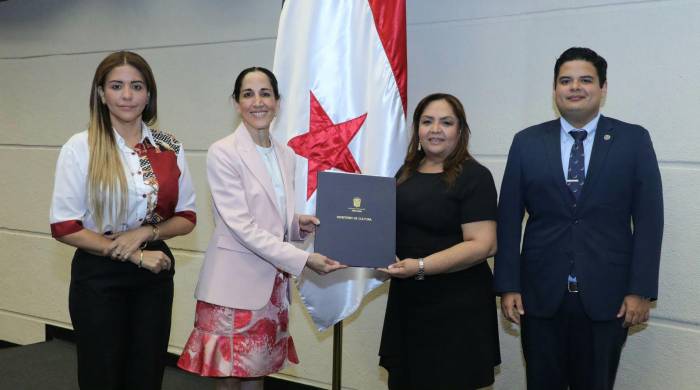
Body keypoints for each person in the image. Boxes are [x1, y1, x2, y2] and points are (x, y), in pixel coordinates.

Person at [494, 47, 664, 390]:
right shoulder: (526, 142)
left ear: (602, 88)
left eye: (585, 80)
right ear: (555, 89)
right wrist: (508, 284)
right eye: (565, 80)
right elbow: (508, 218)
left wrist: (640, 290)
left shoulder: (633, 140)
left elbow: (649, 220)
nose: (575, 87)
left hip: (609, 297)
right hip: (539, 295)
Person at [177, 66, 345, 390]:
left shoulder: (287, 154)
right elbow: (241, 224)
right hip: (231, 287)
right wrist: (304, 259)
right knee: (228, 379)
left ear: (277, 102)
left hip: (272, 286)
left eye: (265, 93)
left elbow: (272, 216)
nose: (258, 102)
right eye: (248, 94)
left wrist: (298, 224)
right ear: (236, 103)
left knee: (258, 370)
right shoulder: (223, 152)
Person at [49, 51, 197, 390]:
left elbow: (187, 216)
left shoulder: (168, 146)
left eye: (136, 86)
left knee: (146, 373)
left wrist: (147, 232)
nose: (127, 95)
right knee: (102, 374)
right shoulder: (80, 147)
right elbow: (65, 226)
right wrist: (132, 252)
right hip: (98, 272)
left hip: (155, 272)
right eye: (117, 86)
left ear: (148, 94)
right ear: (101, 93)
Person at [378, 93, 501, 389]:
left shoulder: (475, 177)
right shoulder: (405, 173)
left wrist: (420, 266)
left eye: (446, 122)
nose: (435, 129)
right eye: (427, 121)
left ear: (460, 132)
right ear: (417, 130)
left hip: (457, 306)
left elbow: (483, 244)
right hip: (409, 302)